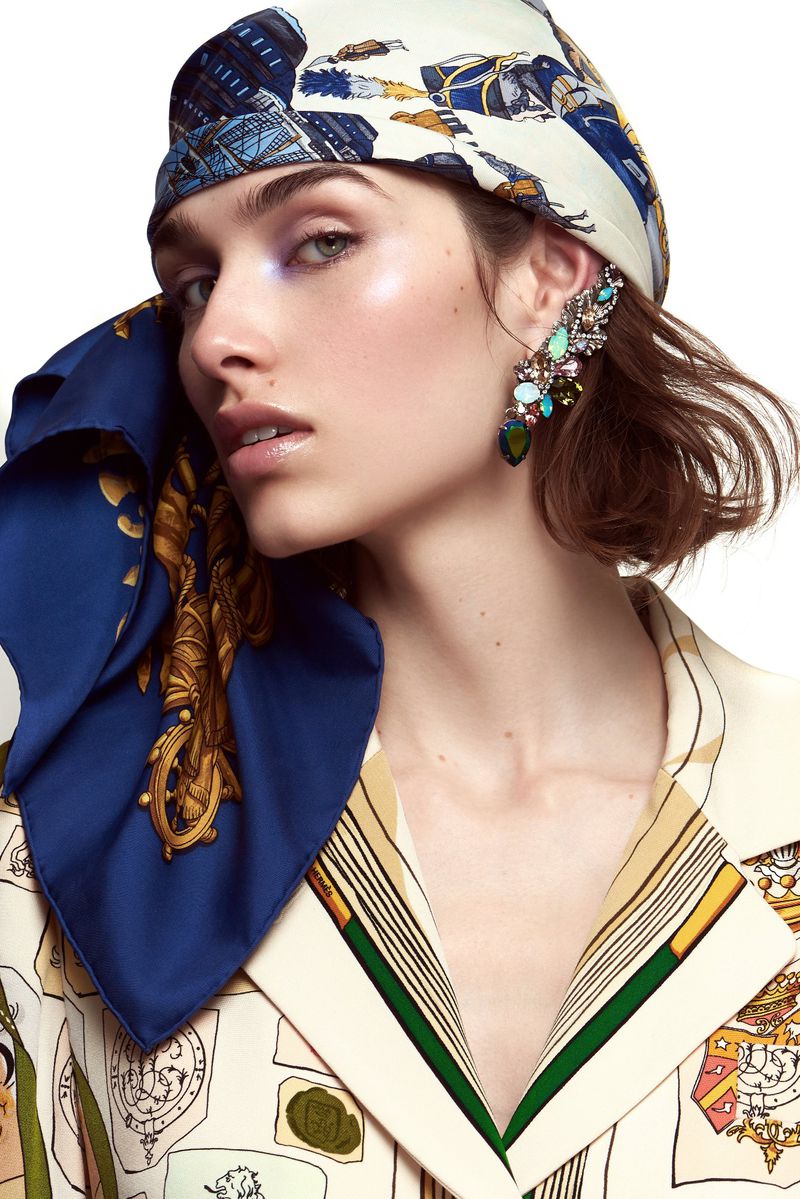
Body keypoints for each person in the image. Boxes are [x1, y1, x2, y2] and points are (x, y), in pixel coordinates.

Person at [0, 2, 799, 1195]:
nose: (217, 337)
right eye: (193, 284)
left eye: (320, 241)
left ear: (549, 274)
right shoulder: (76, 857)